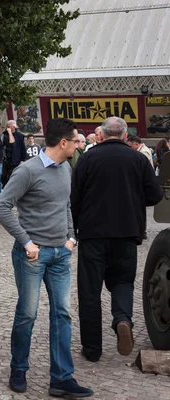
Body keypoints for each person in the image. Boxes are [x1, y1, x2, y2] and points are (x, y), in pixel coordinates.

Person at [0, 118, 93, 398]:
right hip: (32, 257)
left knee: (62, 314)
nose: (78, 144)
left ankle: (61, 379)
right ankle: (18, 368)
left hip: (61, 254)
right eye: (75, 140)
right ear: (63, 142)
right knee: (27, 314)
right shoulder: (28, 171)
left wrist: (72, 237)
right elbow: (1, 207)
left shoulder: (65, 169)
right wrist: (26, 241)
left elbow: (65, 206)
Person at [71, 116, 162, 363]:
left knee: (89, 292)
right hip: (127, 232)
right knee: (123, 282)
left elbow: (74, 197)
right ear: (124, 135)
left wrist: (77, 227)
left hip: (92, 233)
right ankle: (122, 319)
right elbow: (154, 196)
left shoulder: (88, 158)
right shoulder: (137, 159)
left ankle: (92, 349)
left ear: (100, 135)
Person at [1, 120, 27, 187]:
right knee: (4, 178)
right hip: (6, 160)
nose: (7, 128)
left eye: (9, 126)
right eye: (7, 126)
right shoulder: (4, 135)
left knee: (14, 177)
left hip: (16, 160)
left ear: (13, 127)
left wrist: (22, 160)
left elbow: (22, 148)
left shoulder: (20, 136)